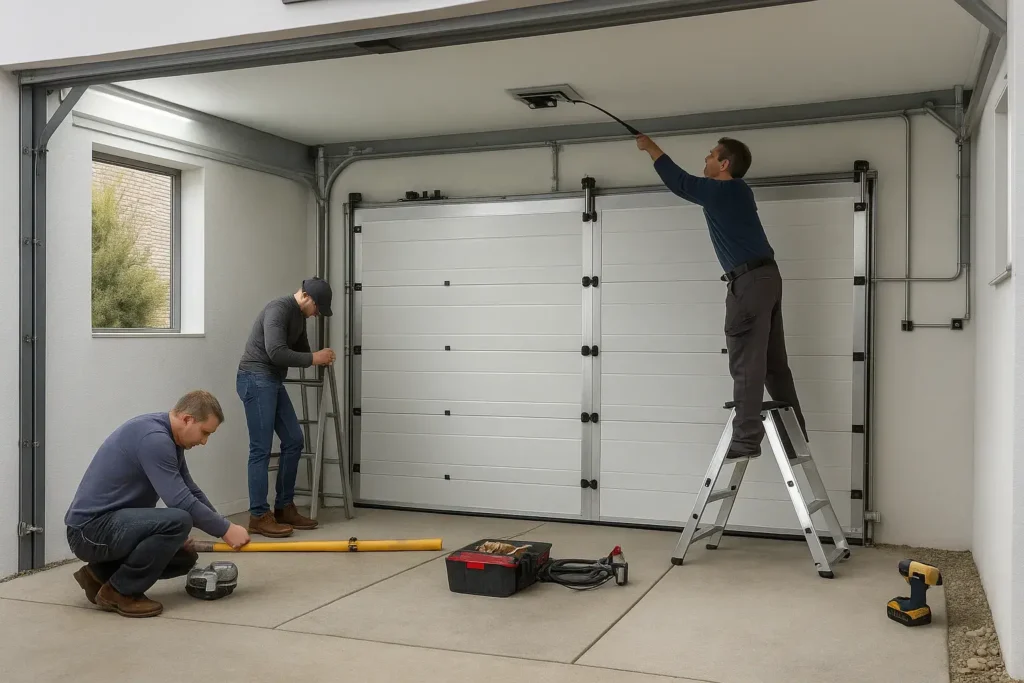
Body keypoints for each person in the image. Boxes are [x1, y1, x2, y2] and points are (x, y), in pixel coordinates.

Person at [636, 134, 808, 459]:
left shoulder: (722, 190)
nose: (706, 161)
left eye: (711, 156)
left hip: (749, 282)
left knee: (746, 362)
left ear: (724, 164)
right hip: (767, 277)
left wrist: (651, 148)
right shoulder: (738, 192)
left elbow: (679, 182)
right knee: (773, 364)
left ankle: (745, 441)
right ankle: (794, 438)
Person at [64, 390, 250, 618]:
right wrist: (226, 530)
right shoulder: (154, 438)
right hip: (89, 531)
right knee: (179, 520)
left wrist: (223, 526)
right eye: (204, 433)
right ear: (187, 419)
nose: (204, 441)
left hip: (109, 526)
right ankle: (120, 592)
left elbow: (190, 490)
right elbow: (180, 501)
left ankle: (97, 576)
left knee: (183, 558)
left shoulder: (169, 440)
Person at [237, 277, 337, 538]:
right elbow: (276, 352)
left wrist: (319, 358)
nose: (316, 314)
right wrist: (315, 357)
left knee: (294, 439)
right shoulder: (278, 309)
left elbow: (301, 351)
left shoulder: (298, 317)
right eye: (316, 308)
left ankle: (284, 508)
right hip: (255, 378)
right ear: (305, 296)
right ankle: (258, 515)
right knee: (260, 448)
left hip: (272, 380)